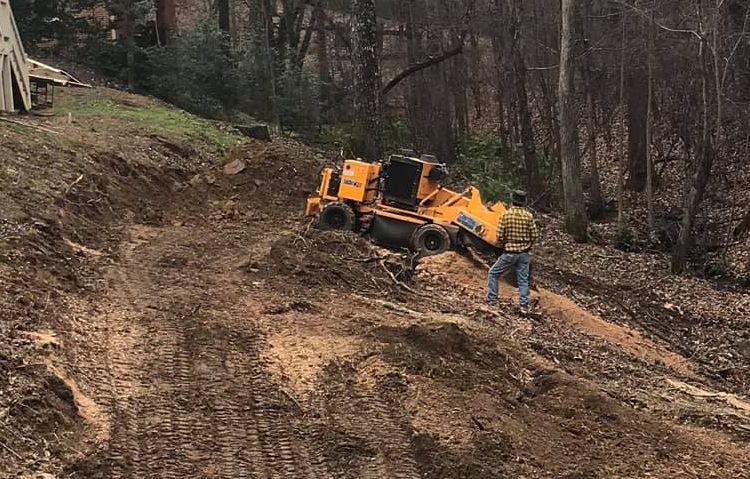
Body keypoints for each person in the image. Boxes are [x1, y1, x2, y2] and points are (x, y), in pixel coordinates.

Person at [487, 190, 538, 313]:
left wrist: (505, 242)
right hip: (524, 254)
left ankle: (492, 300)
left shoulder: (506, 215)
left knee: (493, 273)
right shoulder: (529, 216)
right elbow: (534, 235)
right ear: (524, 202)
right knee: (523, 280)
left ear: (512, 200)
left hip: (509, 253)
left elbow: (499, 235)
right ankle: (524, 305)